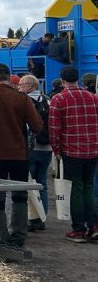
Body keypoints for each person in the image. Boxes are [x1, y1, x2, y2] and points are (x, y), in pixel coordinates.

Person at [0, 63, 42, 247]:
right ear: (9, 78)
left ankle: (0, 238)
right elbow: (37, 127)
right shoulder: (21, 98)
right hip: (18, 155)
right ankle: (18, 237)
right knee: (20, 197)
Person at [48, 65, 98, 242]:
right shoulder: (93, 98)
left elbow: (54, 129)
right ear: (78, 78)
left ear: (62, 81)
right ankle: (94, 225)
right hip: (93, 150)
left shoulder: (59, 99)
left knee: (75, 189)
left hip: (71, 151)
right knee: (88, 187)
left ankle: (78, 229)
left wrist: (57, 151)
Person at [18, 74, 51, 231]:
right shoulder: (48, 100)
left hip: (30, 148)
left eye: (21, 84)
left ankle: (30, 218)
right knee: (42, 183)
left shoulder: (24, 101)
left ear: (30, 86)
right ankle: (42, 217)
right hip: (46, 148)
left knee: (27, 184)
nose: (19, 87)